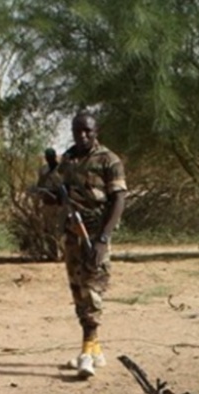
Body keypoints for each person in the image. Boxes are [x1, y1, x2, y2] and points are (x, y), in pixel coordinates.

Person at [57, 112, 127, 379]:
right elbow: (61, 192)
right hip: (72, 234)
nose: (82, 136)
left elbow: (118, 200)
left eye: (87, 131)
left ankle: (87, 350)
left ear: (97, 131)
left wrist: (103, 239)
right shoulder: (68, 159)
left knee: (93, 291)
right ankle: (95, 349)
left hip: (96, 235)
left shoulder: (109, 160)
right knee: (78, 290)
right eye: (77, 131)